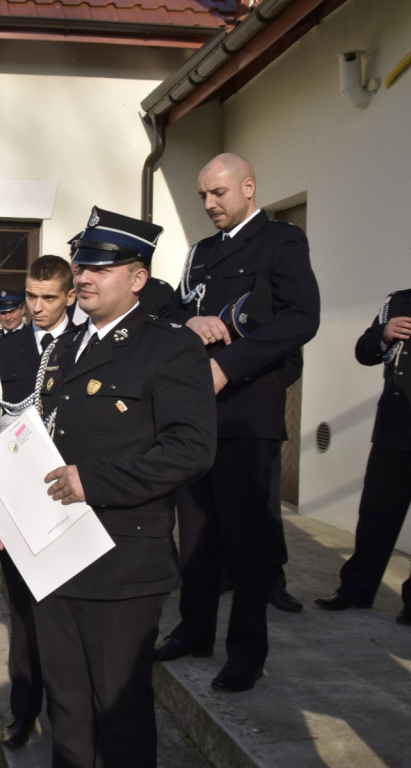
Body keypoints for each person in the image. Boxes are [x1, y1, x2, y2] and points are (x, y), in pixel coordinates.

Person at [0, 206, 215, 767]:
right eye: (80, 264)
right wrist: (7, 507)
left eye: (100, 266)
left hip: (122, 562)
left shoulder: (169, 347)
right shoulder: (65, 348)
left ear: (137, 278)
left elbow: (191, 450)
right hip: (54, 553)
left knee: (119, 712)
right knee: (67, 709)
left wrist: (94, 480)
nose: (83, 276)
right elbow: (40, 440)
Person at [156, 153, 320, 692]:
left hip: (249, 410)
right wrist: (191, 320)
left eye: (218, 194)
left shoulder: (282, 241)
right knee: (197, 529)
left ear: (248, 187)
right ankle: (194, 630)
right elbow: (179, 309)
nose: (208, 205)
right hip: (196, 413)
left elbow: (302, 317)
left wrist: (228, 366)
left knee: (246, 540)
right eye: (204, 195)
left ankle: (246, 651)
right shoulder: (202, 252)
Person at [0, 255, 75, 748]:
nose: (36, 307)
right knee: (26, 612)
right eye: (30, 296)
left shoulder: (85, 344)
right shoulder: (1, 350)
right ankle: (24, 710)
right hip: (16, 497)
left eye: (48, 297)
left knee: (70, 614)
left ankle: (73, 715)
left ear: (70, 296)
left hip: (74, 498)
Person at [315, 290, 411, 625]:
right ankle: (355, 590)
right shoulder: (398, 302)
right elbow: (364, 351)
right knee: (375, 513)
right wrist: (384, 335)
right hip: (395, 430)